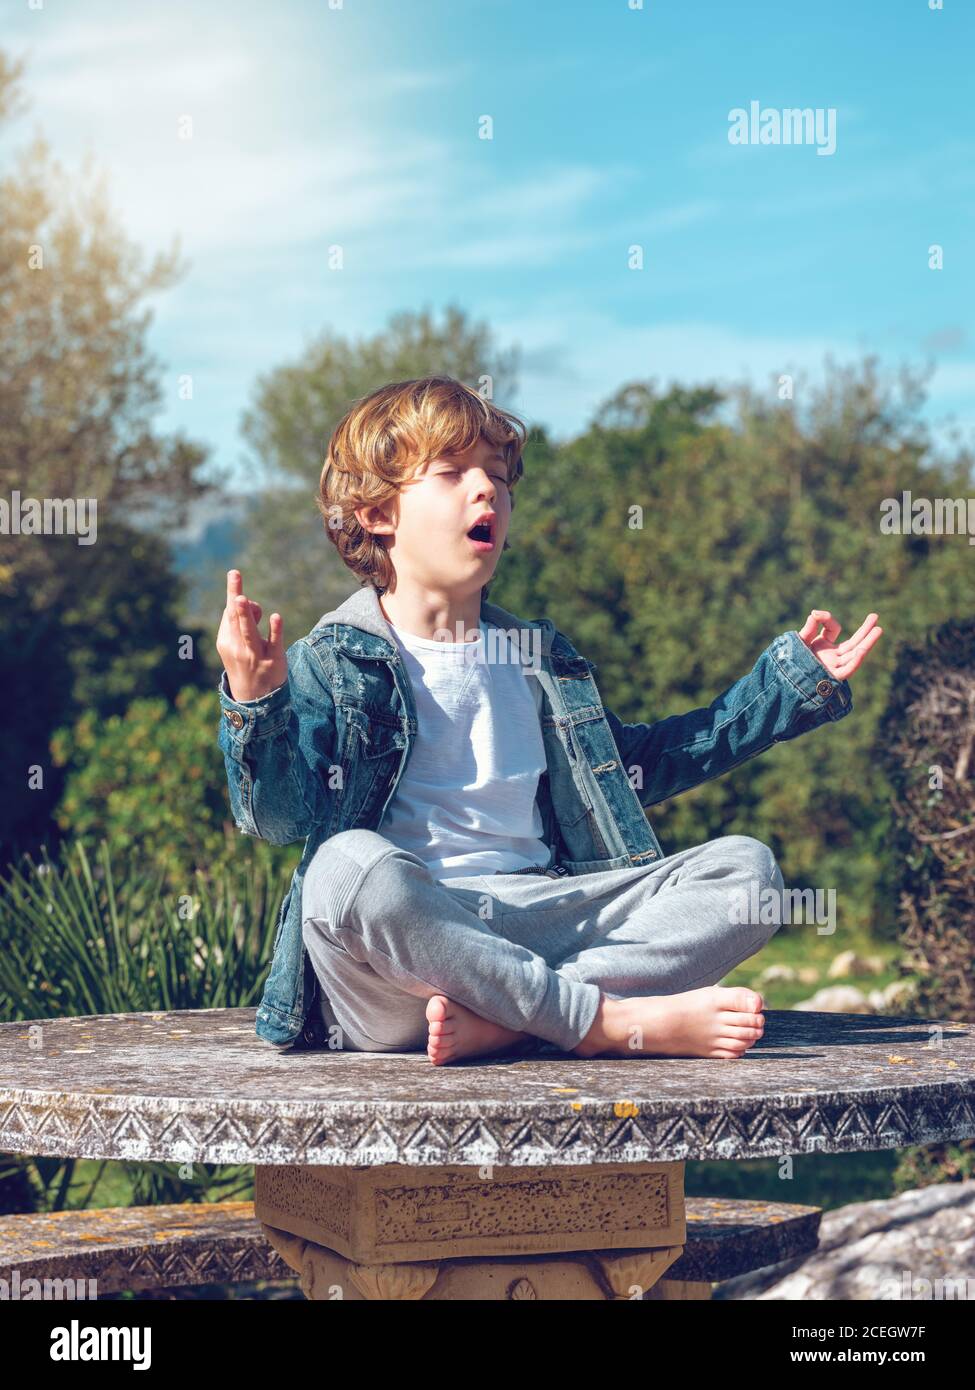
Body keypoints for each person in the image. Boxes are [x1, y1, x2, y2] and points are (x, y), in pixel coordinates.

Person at [215, 376, 882, 1065]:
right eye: (451, 473)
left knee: (747, 874)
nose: (486, 491)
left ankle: (520, 1021)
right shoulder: (332, 660)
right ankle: (600, 1022)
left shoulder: (538, 658)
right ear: (377, 513)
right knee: (346, 867)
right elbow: (279, 819)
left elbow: (632, 770)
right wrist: (255, 702)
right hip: (405, 964)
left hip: (540, 924)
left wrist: (781, 691)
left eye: (498, 477)